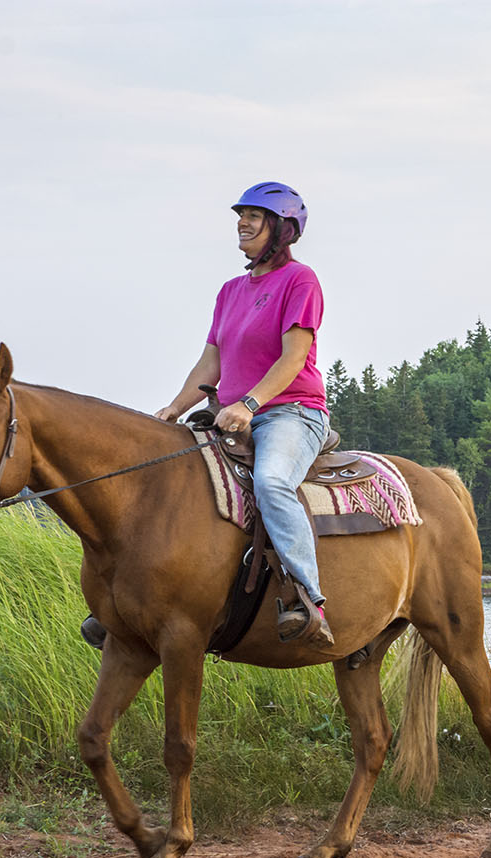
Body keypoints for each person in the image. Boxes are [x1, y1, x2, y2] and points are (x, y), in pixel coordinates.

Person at [79, 181, 333, 650]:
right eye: (240, 216)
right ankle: (130, 599)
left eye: (253, 216)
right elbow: (210, 362)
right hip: (228, 415)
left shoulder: (300, 281)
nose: (242, 223)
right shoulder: (231, 291)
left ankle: (307, 598)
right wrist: (175, 408)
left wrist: (250, 404)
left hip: (290, 413)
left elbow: (294, 358)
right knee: (167, 479)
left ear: (280, 228)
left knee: (272, 482)